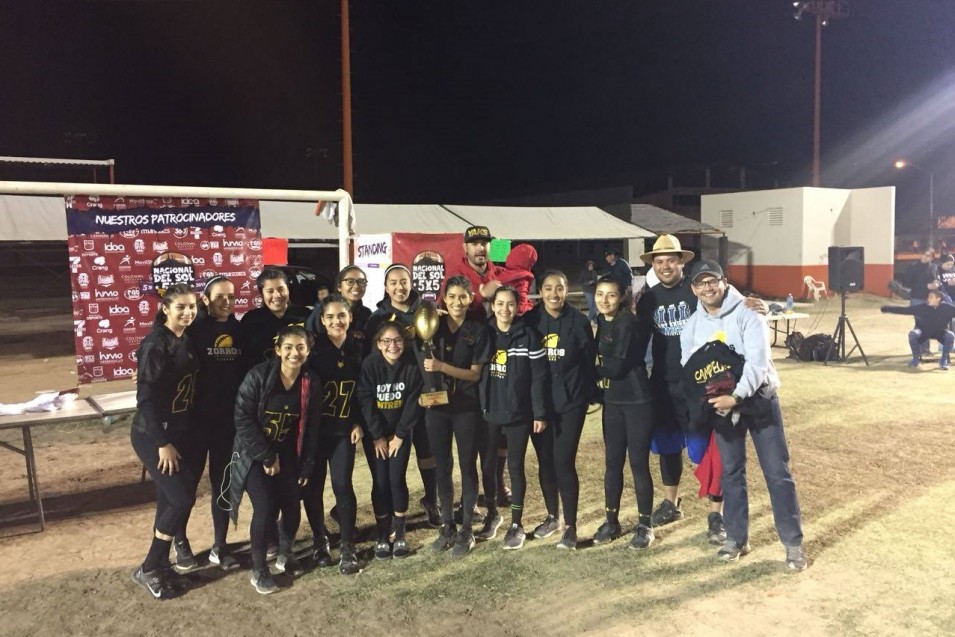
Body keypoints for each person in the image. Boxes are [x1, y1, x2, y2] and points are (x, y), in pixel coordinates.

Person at [680, 260, 808, 571]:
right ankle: (736, 538)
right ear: (694, 289)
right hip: (722, 408)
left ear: (724, 282)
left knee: (777, 473)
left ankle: (792, 544)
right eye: (701, 283)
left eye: (713, 281)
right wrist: (713, 399)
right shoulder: (692, 326)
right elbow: (691, 368)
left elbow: (758, 364)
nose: (708, 287)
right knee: (731, 474)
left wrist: (735, 396)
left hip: (758, 401)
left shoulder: (749, 313)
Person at [635, 234, 724, 543]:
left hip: (699, 385)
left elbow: (728, 301)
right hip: (662, 383)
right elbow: (638, 339)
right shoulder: (648, 298)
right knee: (667, 446)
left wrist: (751, 304)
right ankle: (671, 503)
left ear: (681, 262)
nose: (665, 266)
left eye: (671, 260)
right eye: (659, 262)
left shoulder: (696, 291)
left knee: (705, 450)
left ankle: (717, 514)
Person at [228, 325, 322, 594]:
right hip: (255, 455)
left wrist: (307, 463)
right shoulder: (258, 376)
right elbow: (242, 419)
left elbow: (312, 427)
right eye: (289, 347)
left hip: (289, 456)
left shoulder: (310, 381)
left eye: (300, 347)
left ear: (308, 350)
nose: (295, 353)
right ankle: (259, 570)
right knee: (266, 508)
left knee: (293, 508)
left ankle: (285, 553)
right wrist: (266, 456)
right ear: (278, 350)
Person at [129, 284, 201, 599]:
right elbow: (145, 400)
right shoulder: (155, 344)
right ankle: (148, 567)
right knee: (183, 498)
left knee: (168, 499)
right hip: (153, 433)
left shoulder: (185, 338)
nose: (188, 312)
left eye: (192, 307)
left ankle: (159, 566)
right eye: (181, 307)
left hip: (180, 431)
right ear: (166, 308)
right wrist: (162, 442)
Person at [523, 270, 597, 550]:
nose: (554, 294)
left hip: (570, 404)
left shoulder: (578, 322)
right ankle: (552, 516)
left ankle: (571, 526)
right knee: (545, 461)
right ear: (539, 292)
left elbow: (588, 362)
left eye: (560, 288)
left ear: (567, 291)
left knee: (563, 461)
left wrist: (587, 395)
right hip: (538, 406)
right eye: (548, 288)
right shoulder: (530, 321)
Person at [365, 263, 440, 526]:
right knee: (393, 462)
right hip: (394, 399)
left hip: (423, 393)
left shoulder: (426, 310)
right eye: (393, 282)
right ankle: (393, 510)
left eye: (404, 281)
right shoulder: (377, 319)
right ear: (386, 287)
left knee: (427, 449)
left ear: (411, 283)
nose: (399, 287)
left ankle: (432, 499)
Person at [422, 276, 491, 558]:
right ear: (443, 298)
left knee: (466, 465)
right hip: (437, 408)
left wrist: (442, 366)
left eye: (463, 297)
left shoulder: (478, 329)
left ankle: (466, 530)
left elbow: (474, 374)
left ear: (471, 297)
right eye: (451, 296)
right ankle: (447, 525)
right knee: (442, 466)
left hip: (466, 406)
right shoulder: (433, 326)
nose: (456, 302)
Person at [181, 276, 245, 571]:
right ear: (204, 299)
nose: (227, 302)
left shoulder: (239, 329)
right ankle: (180, 542)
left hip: (226, 424)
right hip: (195, 424)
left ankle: (220, 545)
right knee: (186, 488)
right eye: (220, 296)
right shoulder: (193, 331)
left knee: (223, 485)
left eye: (231, 297)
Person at [478, 286, 548, 550]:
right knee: (487, 466)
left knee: (515, 468)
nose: (505, 309)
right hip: (489, 413)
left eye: (510, 304)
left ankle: (516, 523)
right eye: (500, 304)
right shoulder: (484, 334)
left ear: (518, 307)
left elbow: (538, 378)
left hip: (519, 414)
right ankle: (493, 513)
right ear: (492, 306)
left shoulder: (528, 336)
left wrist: (539, 412)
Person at [591, 276, 656, 550]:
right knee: (612, 463)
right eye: (600, 294)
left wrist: (583, 370)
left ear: (621, 298)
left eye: (611, 295)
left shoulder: (626, 324)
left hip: (637, 402)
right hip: (613, 402)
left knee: (638, 464)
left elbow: (615, 368)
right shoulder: (603, 322)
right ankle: (612, 521)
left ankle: (645, 525)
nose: (604, 300)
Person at [304, 294, 364, 575]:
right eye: (330, 317)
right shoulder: (314, 353)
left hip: (342, 431)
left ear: (350, 317)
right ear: (322, 320)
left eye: (342, 315)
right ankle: (319, 539)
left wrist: (357, 422)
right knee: (313, 487)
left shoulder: (358, 348)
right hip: (316, 434)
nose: (336, 321)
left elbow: (363, 394)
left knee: (342, 485)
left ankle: (348, 544)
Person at [357, 321, 424, 560]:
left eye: (397, 340)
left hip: (399, 435)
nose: (392, 345)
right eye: (387, 341)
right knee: (380, 482)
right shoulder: (370, 365)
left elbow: (413, 403)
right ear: (378, 344)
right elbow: (365, 401)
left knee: (396, 479)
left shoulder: (411, 367)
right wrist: (376, 436)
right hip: (376, 437)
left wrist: (399, 436)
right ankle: (383, 536)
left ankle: (401, 533)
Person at [239, 267, 310, 369]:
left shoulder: (305, 316)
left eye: (281, 289)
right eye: (270, 291)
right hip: (263, 381)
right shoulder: (251, 320)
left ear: (288, 289)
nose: (277, 295)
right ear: (262, 294)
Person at [881, 289, 955, 369]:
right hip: (923, 332)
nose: (928, 299)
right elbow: (905, 310)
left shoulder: (947, 308)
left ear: (938, 299)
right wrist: (887, 309)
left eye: (931, 297)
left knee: (950, 335)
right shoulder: (922, 307)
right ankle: (916, 359)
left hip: (941, 332)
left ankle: (944, 361)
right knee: (913, 334)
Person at [445, 225, 503, 320]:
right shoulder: (454, 276)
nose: (480, 248)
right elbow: (448, 310)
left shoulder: (502, 273)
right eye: (474, 244)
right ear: (465, 247)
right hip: (468, 332)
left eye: (484, 243)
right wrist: (482, 295)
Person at [305, 265, 372, 346]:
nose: (356, 286)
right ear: (339, 287)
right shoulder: (324, 309)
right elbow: (309, 339)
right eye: (350, 281)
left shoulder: (366, 313)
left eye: (361, 282)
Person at [496, 243, 538, 315]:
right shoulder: (522, 278)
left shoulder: (502, 274)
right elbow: (521, 301)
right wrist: (529, 309)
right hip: (515, 315)